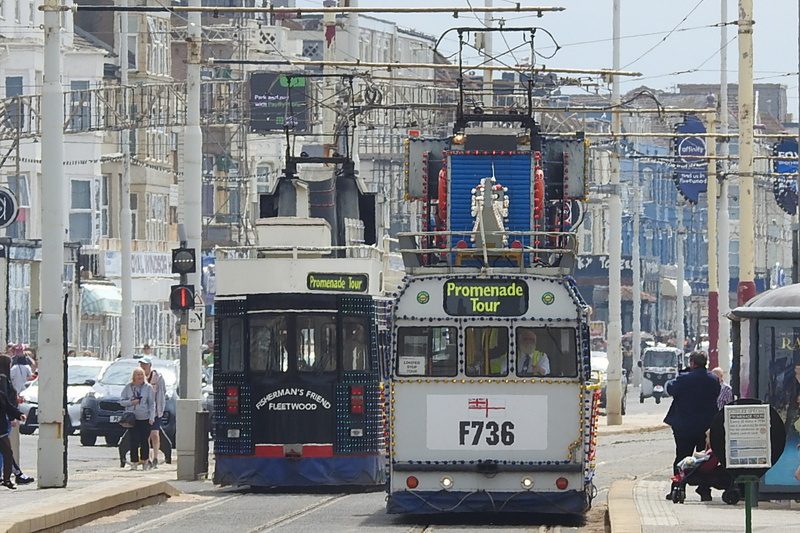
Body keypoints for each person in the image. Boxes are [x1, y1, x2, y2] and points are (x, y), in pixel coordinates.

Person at [664, 351, 720, 501]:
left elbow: (670, 389)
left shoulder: (684, 379)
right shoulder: (713, 379)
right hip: (705, 426)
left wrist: (679, 376)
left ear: (692, 363)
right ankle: (704, 490)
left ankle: (678, 488)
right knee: (705, 459)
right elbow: (717, 393)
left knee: (682, 457)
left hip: (684, 426)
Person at [0, 355, 33, 486]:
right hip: (3, 422)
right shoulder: (2, 379)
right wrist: (12, 416)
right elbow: (5, 402)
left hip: (4, 420)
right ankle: (13, 476)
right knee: (6, 451)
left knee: (6, 451)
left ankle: (14, 475)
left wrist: (17, 414)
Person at [120, 367, 155, 471]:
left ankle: (145, 461)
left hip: (144, 417)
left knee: (144, 440)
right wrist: (131, 402)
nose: (139, 377)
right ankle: (134, 462)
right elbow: (121, 401)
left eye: (141, 374)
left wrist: (152, 417)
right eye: (137, 375)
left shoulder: (148, 387)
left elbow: (152, 403)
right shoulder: (128, 387)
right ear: (134, 377)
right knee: (133, 440)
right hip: (132, 418)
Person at [139, 357, 166, 468]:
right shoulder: (138, 378)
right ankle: (147, 458)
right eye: (141, 365)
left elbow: (162, 393)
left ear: (150, 366)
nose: (143, 367)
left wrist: (160, 409)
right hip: (143, 412)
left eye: (145, 365)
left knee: (155, 434)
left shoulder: (158, 378)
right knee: (145, 435)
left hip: (156, 410)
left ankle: (155, 457)